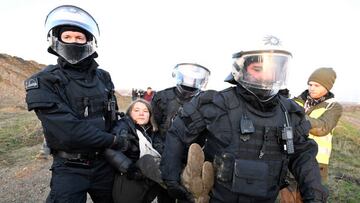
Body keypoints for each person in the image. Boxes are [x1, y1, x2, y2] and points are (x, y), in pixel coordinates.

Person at [160, 35, 328, 202]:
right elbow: (178, 135)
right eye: (258, 69)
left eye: (273, 69)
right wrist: (172, 178)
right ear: (240, 69)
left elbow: (303, 157)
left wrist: (315, 196)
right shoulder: (214, 103)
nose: (267, 76)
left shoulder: (290, 113)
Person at [24, 5, 128, 202]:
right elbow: (69, 131)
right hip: (69, 168)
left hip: (105, 163)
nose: (74, 42)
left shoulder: (103, 78)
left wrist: (122, 131)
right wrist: (114, 141)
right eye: (68, 37)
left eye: (80, 38)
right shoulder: (44, 81)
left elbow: (113, 115)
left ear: (89, 41)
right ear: (57, 39)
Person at [279, 67, 342, 202]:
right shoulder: (296, 101)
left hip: (316, 161)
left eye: (317, 85)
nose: (312, 88)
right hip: (291, 156)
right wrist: (280, 101)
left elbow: (323, 127)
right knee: (288, 197)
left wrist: (296, 113)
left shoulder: (333, 106)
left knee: (308, 197)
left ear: (327, 87)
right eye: (310, 84)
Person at [151, 63, 211, 203]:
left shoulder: (204, 101)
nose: (191, 81)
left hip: (191, 158)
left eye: (196, 78)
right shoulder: (162, 97)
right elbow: (154, 128)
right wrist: (163, 150)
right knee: (166, 192)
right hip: (166, 154)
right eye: (188, 76)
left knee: (189, 195)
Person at [105, 99, 162, 203]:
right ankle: (175, 185)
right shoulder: (123, 126)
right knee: (148, 160)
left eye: (145, 111)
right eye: (137, 110)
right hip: (128, 180)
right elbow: (110, 150)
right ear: (129, 113)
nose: (141, 113)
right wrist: (130, 168)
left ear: (150, 115)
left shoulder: (151, 132)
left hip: (147, 182)